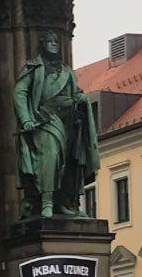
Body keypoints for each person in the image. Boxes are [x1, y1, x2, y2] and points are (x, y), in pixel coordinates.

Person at [14, 28, 99, 219]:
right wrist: (26, 119)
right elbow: (20, 92)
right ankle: (46, 202)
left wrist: (81, 98)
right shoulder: (33, 68)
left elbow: (74, 92)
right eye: (50, 42)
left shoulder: (66, 71)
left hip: (68, 119)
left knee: (70, 162)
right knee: (50, 156)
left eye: (56, 42)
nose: (54, 45)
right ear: (42, 45)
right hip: (44, 118)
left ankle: (65, 203)